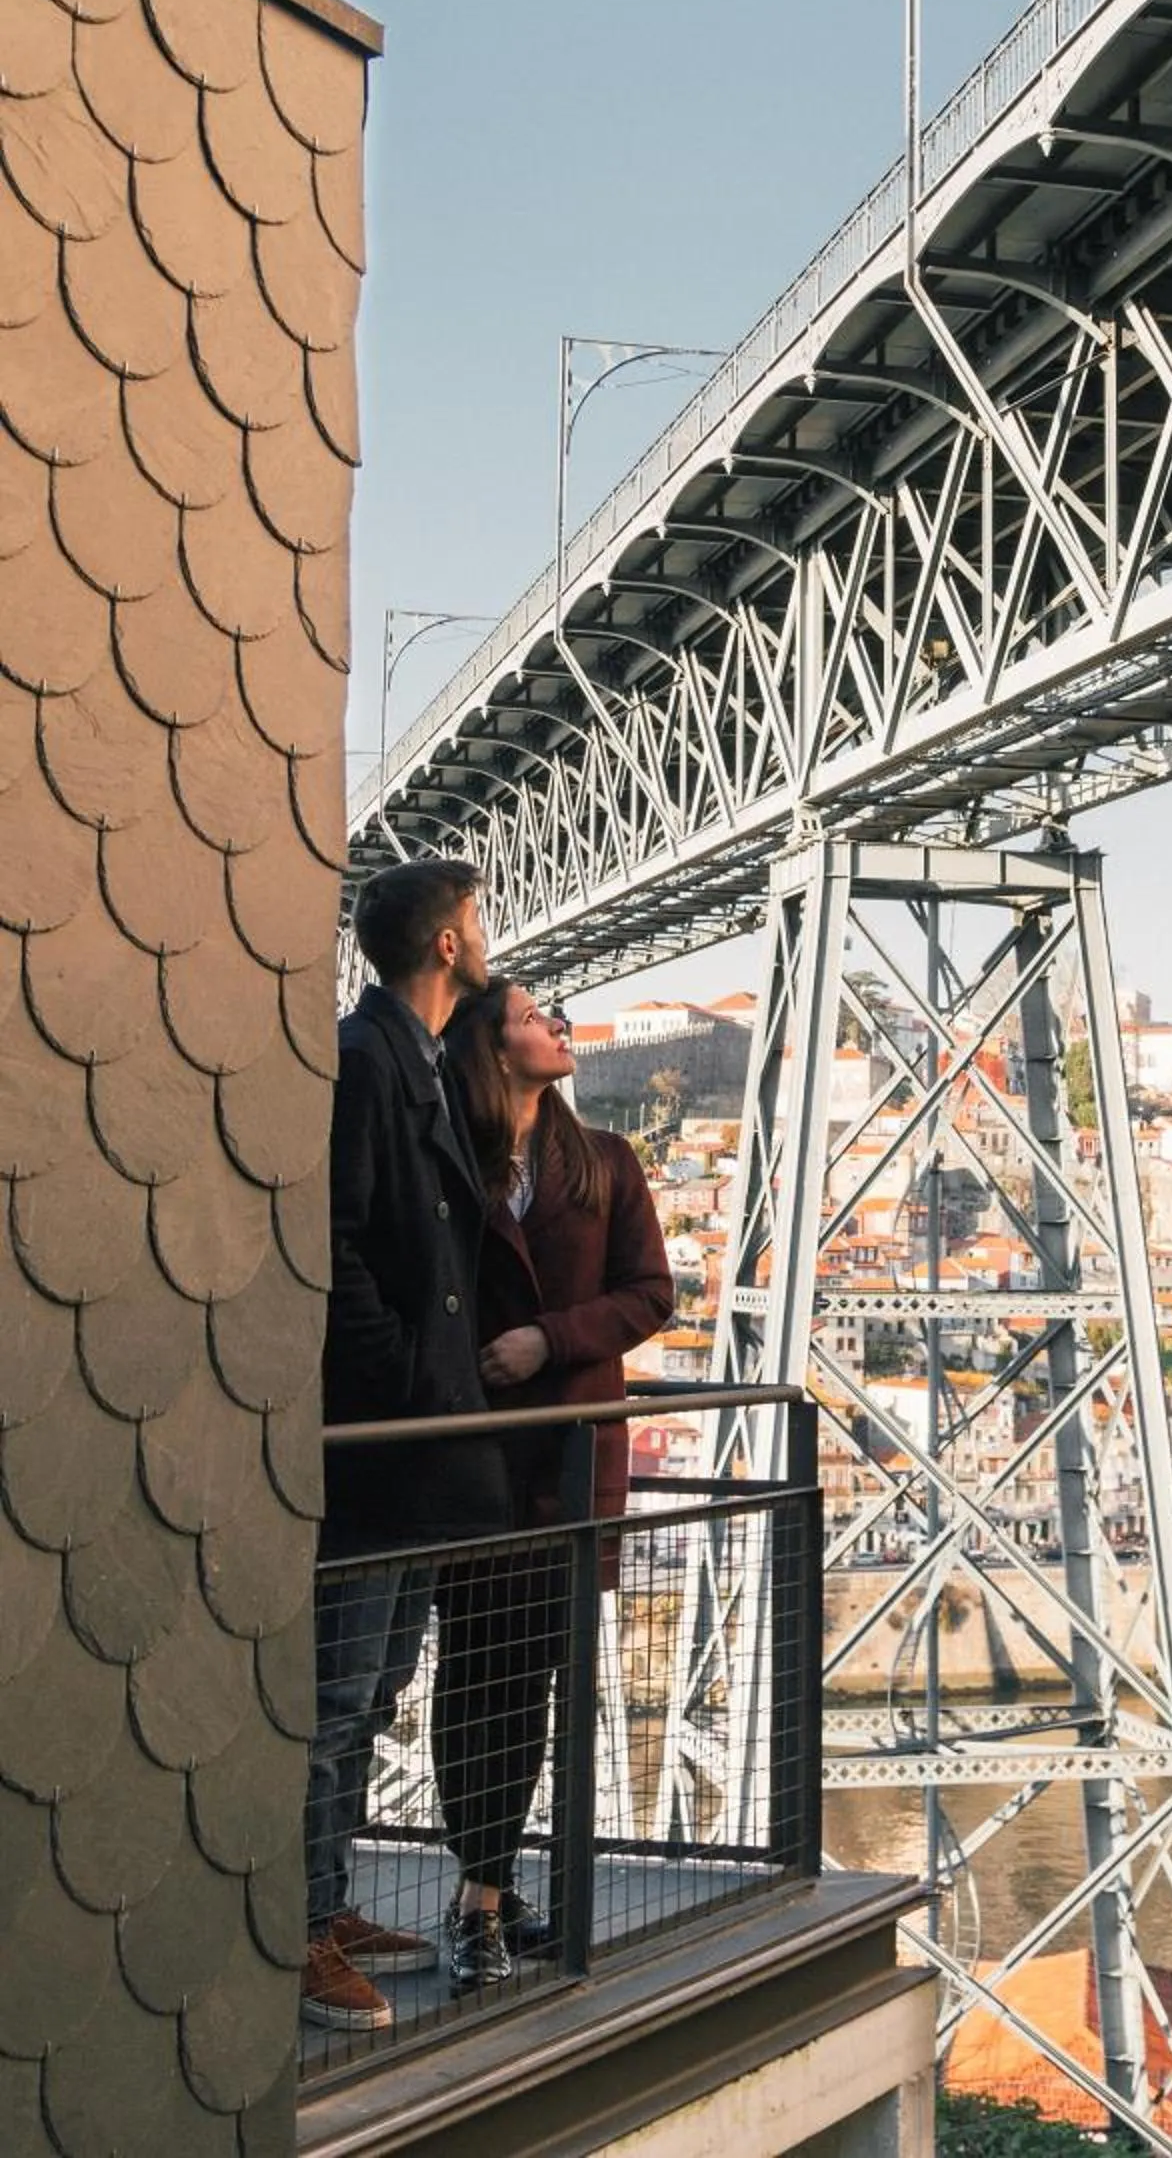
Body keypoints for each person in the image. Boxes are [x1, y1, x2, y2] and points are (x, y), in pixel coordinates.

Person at [303, 862, 514, 2037]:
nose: (486, 939)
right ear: (443, 943)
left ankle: (323, 1906)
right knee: (335, 1699)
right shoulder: (361, 1058)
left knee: (374, 1694)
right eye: (476, 921)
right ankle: (292, 1934)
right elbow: (335, 1243)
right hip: (383, 1437)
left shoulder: (416, 1057)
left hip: (418, 1440)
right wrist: (396, 1379)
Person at [432, 978, 676, 1989]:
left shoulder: (606, 1161)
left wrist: (551, 1339)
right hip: (471, 1458)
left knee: (529, 1680)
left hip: (571, 1461)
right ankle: (481, 1890)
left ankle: (484, 1894)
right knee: (472, 1678)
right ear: (493, 1049)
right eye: (538, 1019)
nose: (560, 1028)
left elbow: (653, 1293)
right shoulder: (448, 1160)